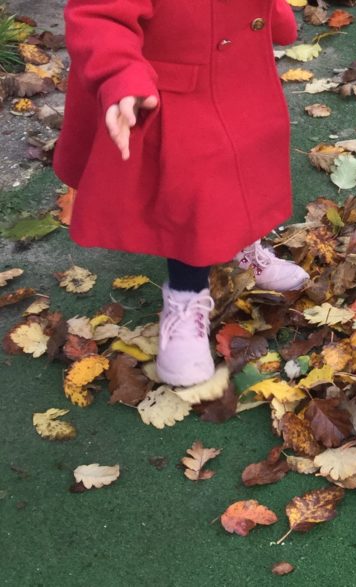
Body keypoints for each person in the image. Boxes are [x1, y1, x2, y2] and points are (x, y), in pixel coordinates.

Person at [55, 0, 309, 387]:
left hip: (238, 67)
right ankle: (186, 298)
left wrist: (272, 12)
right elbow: (99, 12)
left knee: (246, 166)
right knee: (193, 194)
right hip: (169, 83)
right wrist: (120, 72)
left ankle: (244, 248)